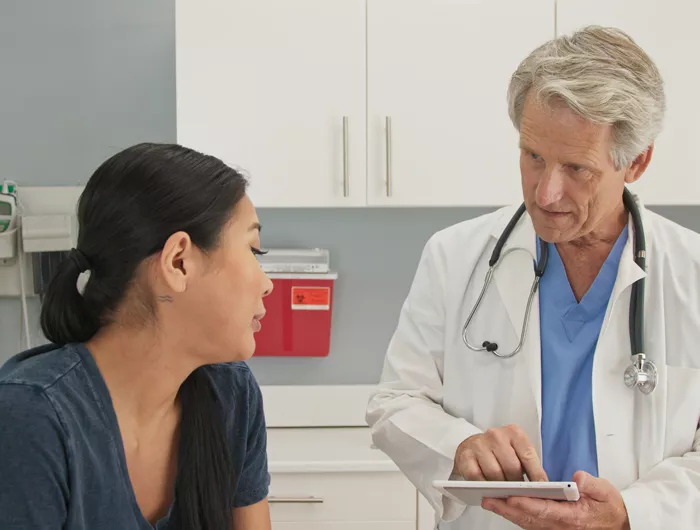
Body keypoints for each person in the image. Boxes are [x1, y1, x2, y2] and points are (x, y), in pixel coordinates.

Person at [367, 26, 700, 530]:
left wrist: (636, 512)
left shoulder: (692, 273)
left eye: (577, 168)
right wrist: (458, 446)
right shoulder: (454, 256)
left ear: (637, 161)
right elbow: (395, 404)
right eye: (533, 157)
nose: (545, 193)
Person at [0, 143, 274, 529]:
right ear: (178, 261)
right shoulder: (29, 417)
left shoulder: (231, 394)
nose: (267, 284)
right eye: (254, 250)